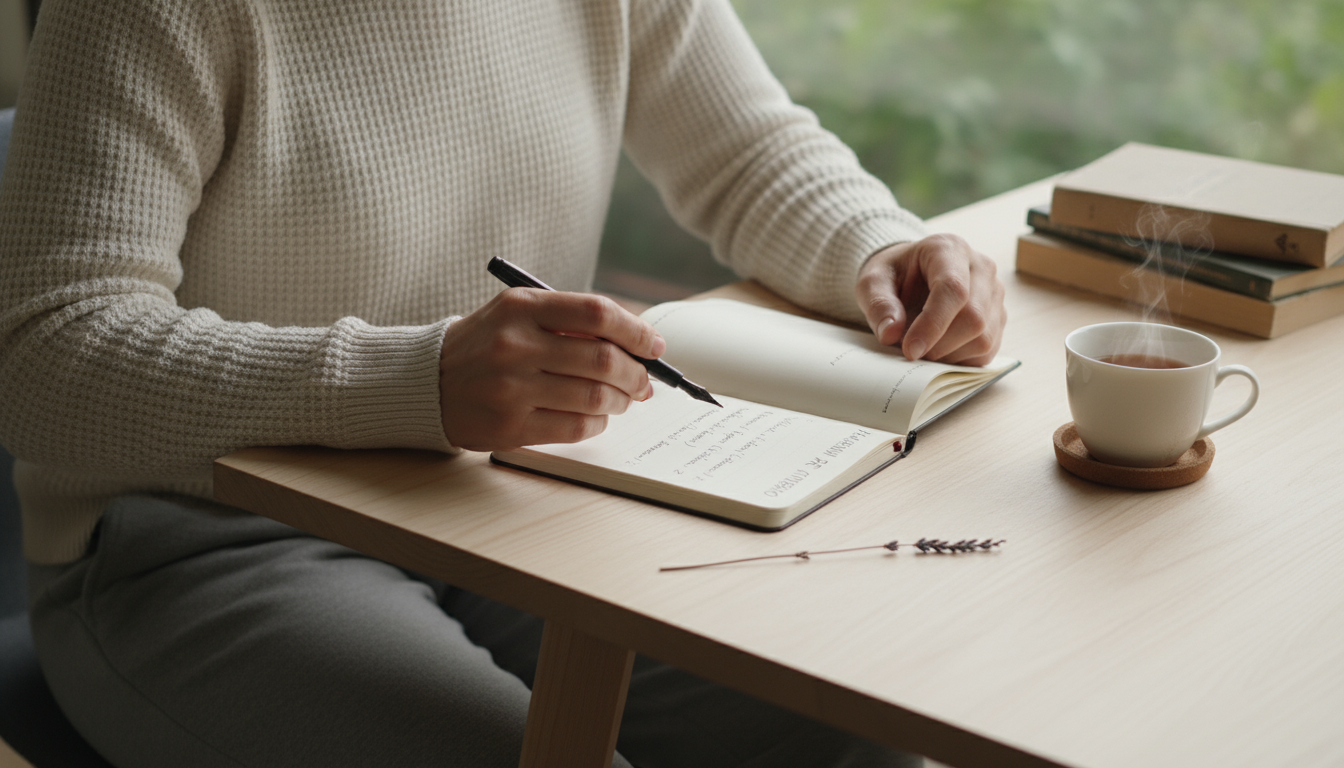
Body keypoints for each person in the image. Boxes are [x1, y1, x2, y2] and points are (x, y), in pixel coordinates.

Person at [0, 0, 1005, 766]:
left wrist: (886, 250)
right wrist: (414, 381)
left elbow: (749, 150)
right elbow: (43, 350)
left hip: (504, 503)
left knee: (854, 728)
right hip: (196, 544)